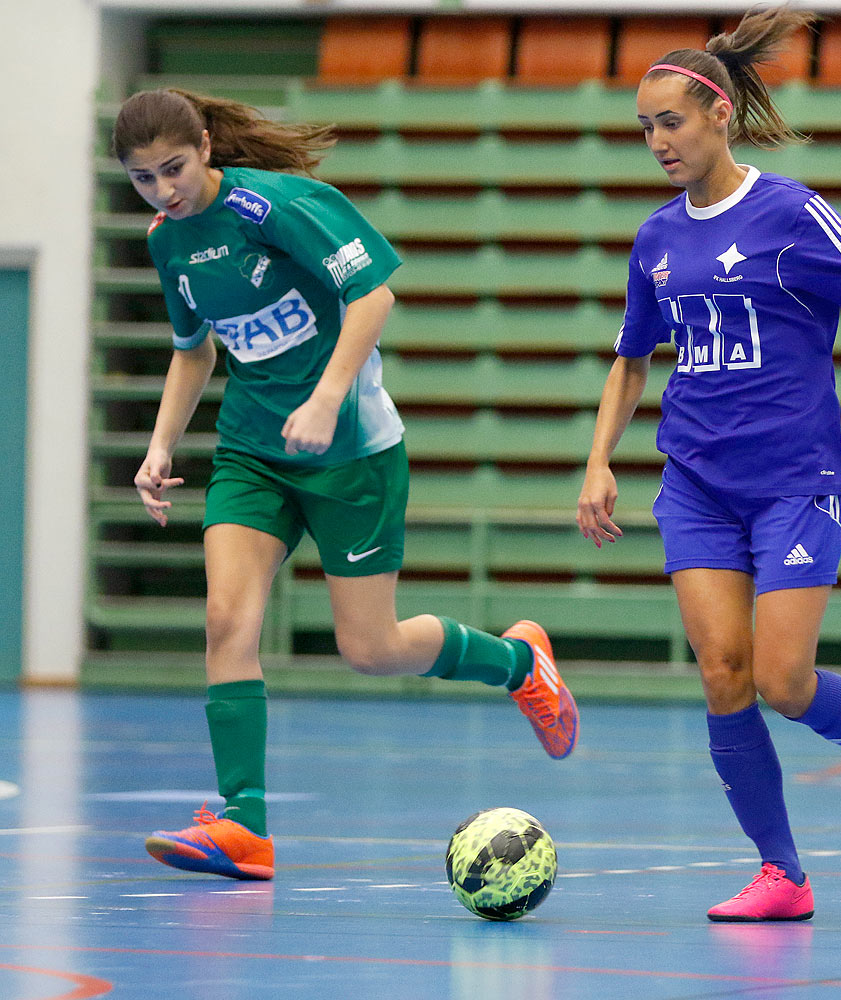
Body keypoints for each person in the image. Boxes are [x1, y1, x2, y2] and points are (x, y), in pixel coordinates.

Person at [112, 88, 579, 880]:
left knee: (372, 647)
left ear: (205, 147)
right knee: (227, 617)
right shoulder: (168, 243)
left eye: (174, 169)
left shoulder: (278, 207)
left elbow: (374, 295)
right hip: (253, 454)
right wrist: (160, 446)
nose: (164, 190)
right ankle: (244, 825)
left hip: (350, 449)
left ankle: (517, 664)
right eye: (143, 179)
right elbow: (195, 351)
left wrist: (326, 398)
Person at [575, 6, 841, 921]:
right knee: (723, 673)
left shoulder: (792, 213)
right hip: (695, 482)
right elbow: (632, 356)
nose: (657, 141)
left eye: (671, 121)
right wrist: (598, 460)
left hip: (792, 483)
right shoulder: (655, 238)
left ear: (720, 114)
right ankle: (783, 874)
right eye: (645, 127)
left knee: (781, 679)